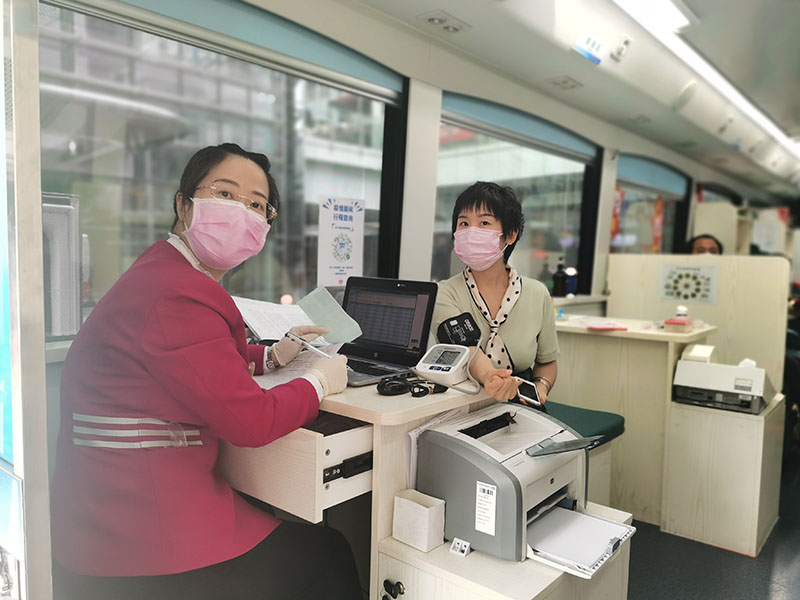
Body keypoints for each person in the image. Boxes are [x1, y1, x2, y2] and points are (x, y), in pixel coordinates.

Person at [50, 143, 361, 600]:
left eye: (257, 205)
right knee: (329, 552)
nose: (242, 211)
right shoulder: (179, 291)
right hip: (141, 539)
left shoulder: (162, 271)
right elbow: (251, 422)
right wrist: (318, 381)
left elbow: (186, 357)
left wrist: (272, 357)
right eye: (225, 193)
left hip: (103, 521)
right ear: (184, 203)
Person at [431, 181, 559, 404]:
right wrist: (490, 377)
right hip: (462, 401)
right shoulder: (445, 293)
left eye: (484, 222)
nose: (471, 232)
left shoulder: (537, 294)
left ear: (510, 235)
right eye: (463, 223)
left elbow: (547, 361)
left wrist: (541, 386)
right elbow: (468, 350)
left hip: (522, 401)